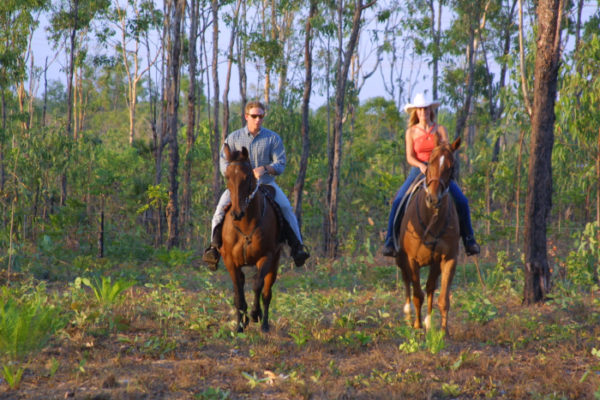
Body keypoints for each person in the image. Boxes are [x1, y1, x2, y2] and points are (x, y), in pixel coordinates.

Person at [202, 101, 310, 268]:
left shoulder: (272, 138)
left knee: (286, 208)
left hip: (266, 184)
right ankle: (214, 249)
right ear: (246, 116)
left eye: (261, 116)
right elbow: (224, 162)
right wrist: (234, 174)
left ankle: (297, 248)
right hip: (239, 187)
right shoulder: (233, 138)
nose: (258, 119)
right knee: (219, 211)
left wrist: (266, 168)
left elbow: (280, 164)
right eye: (254, 116)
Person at [382, 93, 480, 257]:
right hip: (419, 170)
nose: (423, 112)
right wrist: (421, 165)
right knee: (398, 200)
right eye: (420, 109)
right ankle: (390, 241)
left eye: (426, 109)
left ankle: (469, 239)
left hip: (439, 171)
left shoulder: (440, 129)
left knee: (462, 200)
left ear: (430, 111)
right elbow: (409, 157)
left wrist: (437, 166)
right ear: (416, 112)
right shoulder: (411, 132)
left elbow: (447, 150)